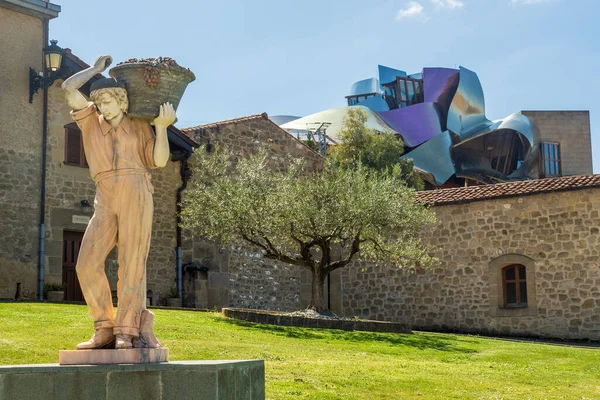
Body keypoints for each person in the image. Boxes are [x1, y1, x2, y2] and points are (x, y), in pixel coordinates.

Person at [62, 55, 175, 350]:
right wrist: (95, 71)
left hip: (135, 189)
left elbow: (159, 161)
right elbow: (68, 88)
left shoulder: (139, 125)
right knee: (86, 264)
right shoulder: (90, 123)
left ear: (122, 101)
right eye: (98, 101)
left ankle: (127, 329)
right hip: (105, 193)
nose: (101, 105)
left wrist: (162, 127)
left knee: (132, 263)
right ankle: (104, 327)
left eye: (107, 100)